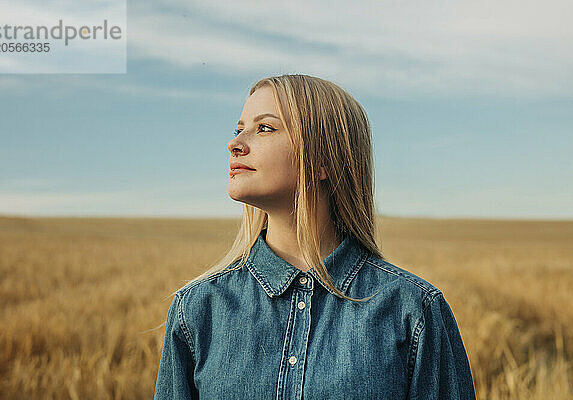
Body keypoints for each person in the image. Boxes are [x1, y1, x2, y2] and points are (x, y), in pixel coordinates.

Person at [154, 74, 476, 399]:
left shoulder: (412, 310)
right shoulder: (198, 309)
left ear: (323, 159)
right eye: (239, 129)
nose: (235, 143)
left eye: (264, 127)